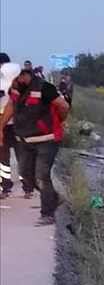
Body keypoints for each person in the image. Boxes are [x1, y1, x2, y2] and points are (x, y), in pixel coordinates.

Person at [0, 62, 70, 225]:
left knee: (41, 176)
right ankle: (53, 198)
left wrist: (57, 122)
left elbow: (63, 106)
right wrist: (1, 127)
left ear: (21, 77)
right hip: (25, 139)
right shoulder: (15, 88)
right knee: (25, 173)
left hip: (47, 140)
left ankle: (47, 214)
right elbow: (11, 105)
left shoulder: (44, 88)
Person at [0, 53, 34, 199]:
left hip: (18, 124)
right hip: (2, 125)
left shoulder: (19, 81)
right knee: (3, 158)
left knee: (22, 156)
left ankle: (27, 186)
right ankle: (5, 186)